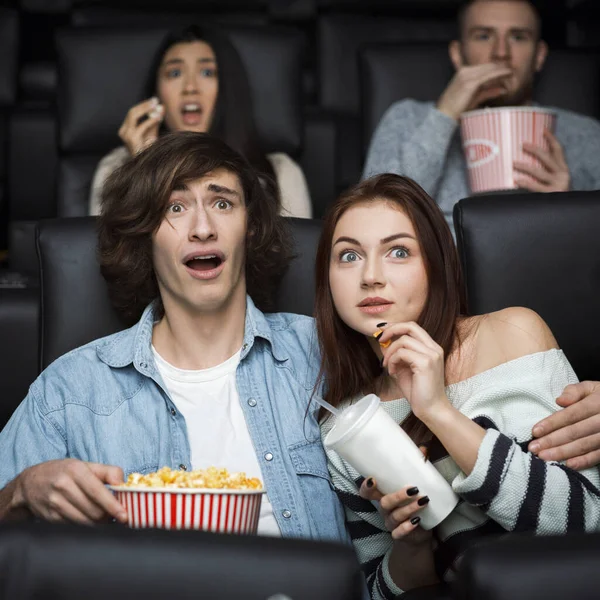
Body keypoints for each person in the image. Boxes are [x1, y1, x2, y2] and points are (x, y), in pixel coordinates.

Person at [0, 132, 344, 543]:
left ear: (249, 228)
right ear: (145, 235)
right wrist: (20, 493)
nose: (202, 228)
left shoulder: (324, 353)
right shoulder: (68, 392)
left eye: (222, 203)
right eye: (175, 207)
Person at [315, 173, 600, 598]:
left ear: (436, 264)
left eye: (398, 251)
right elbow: (376, 591)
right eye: (349, 256)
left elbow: (584, 519)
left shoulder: (510, 333)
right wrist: (411, 546)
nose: (371, 276)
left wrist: (438, 411)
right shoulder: (348, 425)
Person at [363, 0, 600, 232]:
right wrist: (445, 114)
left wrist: (569, 211)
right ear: (457, 54)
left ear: (539, 56)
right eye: (484, 36)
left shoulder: (586, 135)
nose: (500, 53)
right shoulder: (407, 118)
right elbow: (372, 225)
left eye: (518, 37)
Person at [89, 25, 312, 219]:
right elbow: (114, 259)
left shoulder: (280, 173)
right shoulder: (116, 169)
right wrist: (146, 165)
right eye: (175, 73)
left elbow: (294, 264)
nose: (190, 87)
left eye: (207, 72)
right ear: (156, 95)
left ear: (227, 90)